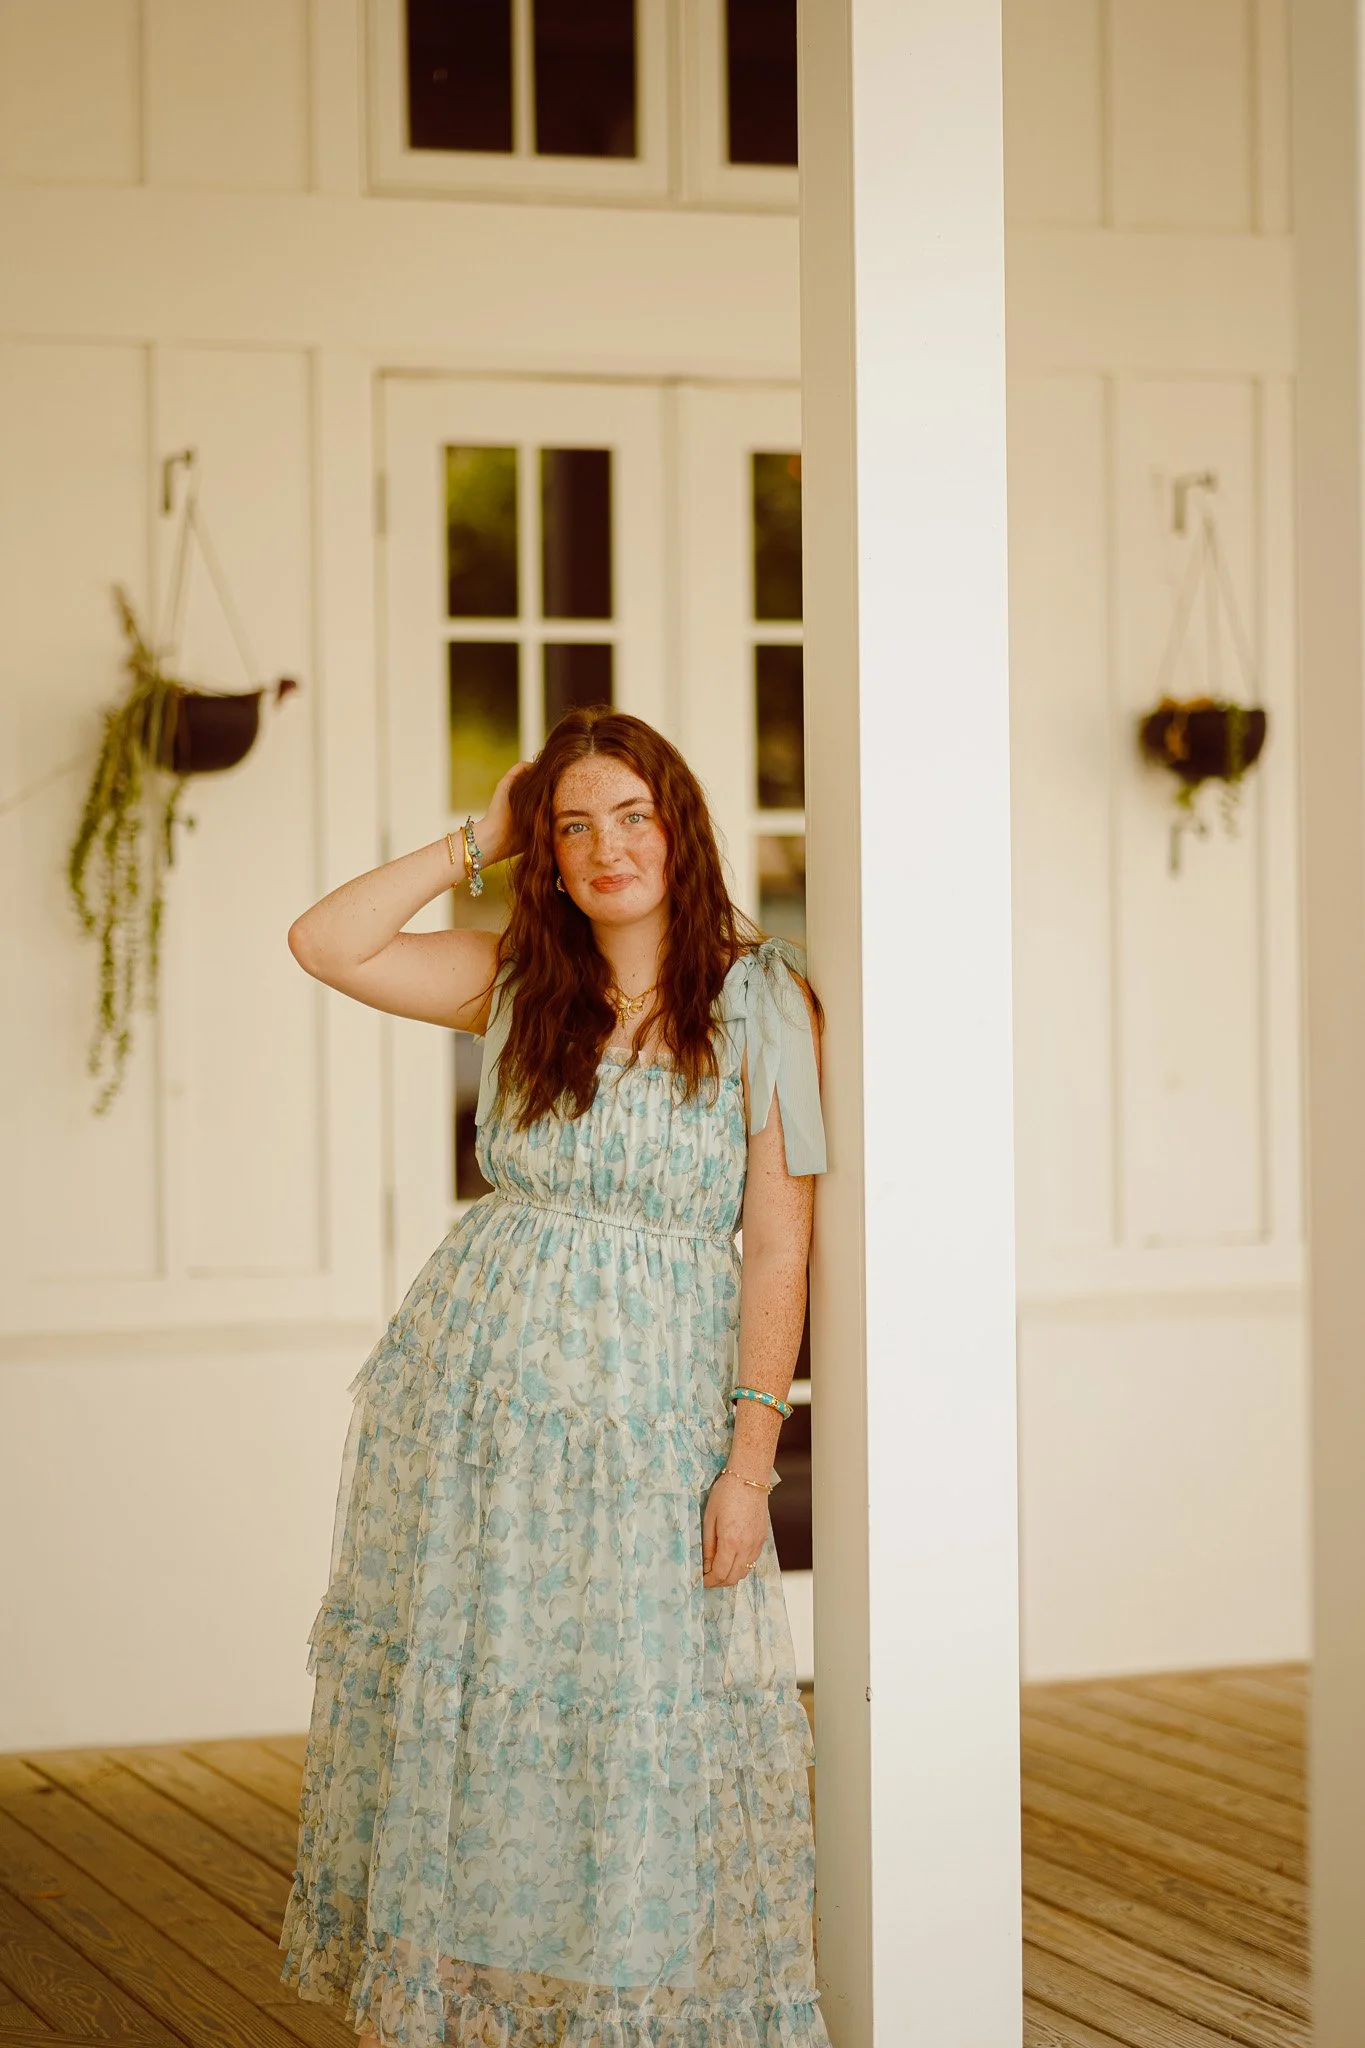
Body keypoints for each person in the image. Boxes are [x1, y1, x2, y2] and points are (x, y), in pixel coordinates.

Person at [278, 706, 829, 2048]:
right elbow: (326, 942)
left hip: (652, 1422)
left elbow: (779, 1240)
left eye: (632, 816)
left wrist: (751, 1460)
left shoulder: (761, 1002)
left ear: (680, 828)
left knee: (636, 1716)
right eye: (573, 827)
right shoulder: (521, 980)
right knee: (490, 1713)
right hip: (484, 1414)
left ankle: (625, 2015)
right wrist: (480, 835)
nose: (606, 848)